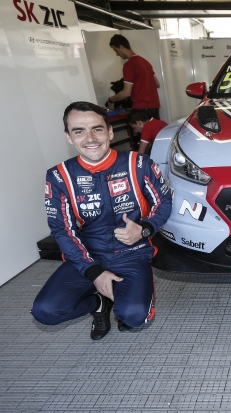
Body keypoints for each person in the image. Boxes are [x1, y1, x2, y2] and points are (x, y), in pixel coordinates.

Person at [31, 101, 172, 340]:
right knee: (46, 311)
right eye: (79, 131)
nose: (90, 138)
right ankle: (98, 304)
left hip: (132, 253)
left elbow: (164, 202)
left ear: (110, 132)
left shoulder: (139, 164)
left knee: (134, 316)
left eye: (97, 129)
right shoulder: (59, 176)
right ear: (68, 137)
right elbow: (62, 230)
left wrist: (145, 228)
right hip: (86, 254)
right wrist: (93, 271)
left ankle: (128, 302)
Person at [107, 34, 161, 121]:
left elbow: (126, 93)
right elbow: (157, 84)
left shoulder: (129, 64)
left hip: (142, 108)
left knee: (142, 130)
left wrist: (111, 99)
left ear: (121, 47)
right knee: (155, 129)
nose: (117, 54)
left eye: (116, 50)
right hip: (154, 107)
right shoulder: (145, 62)